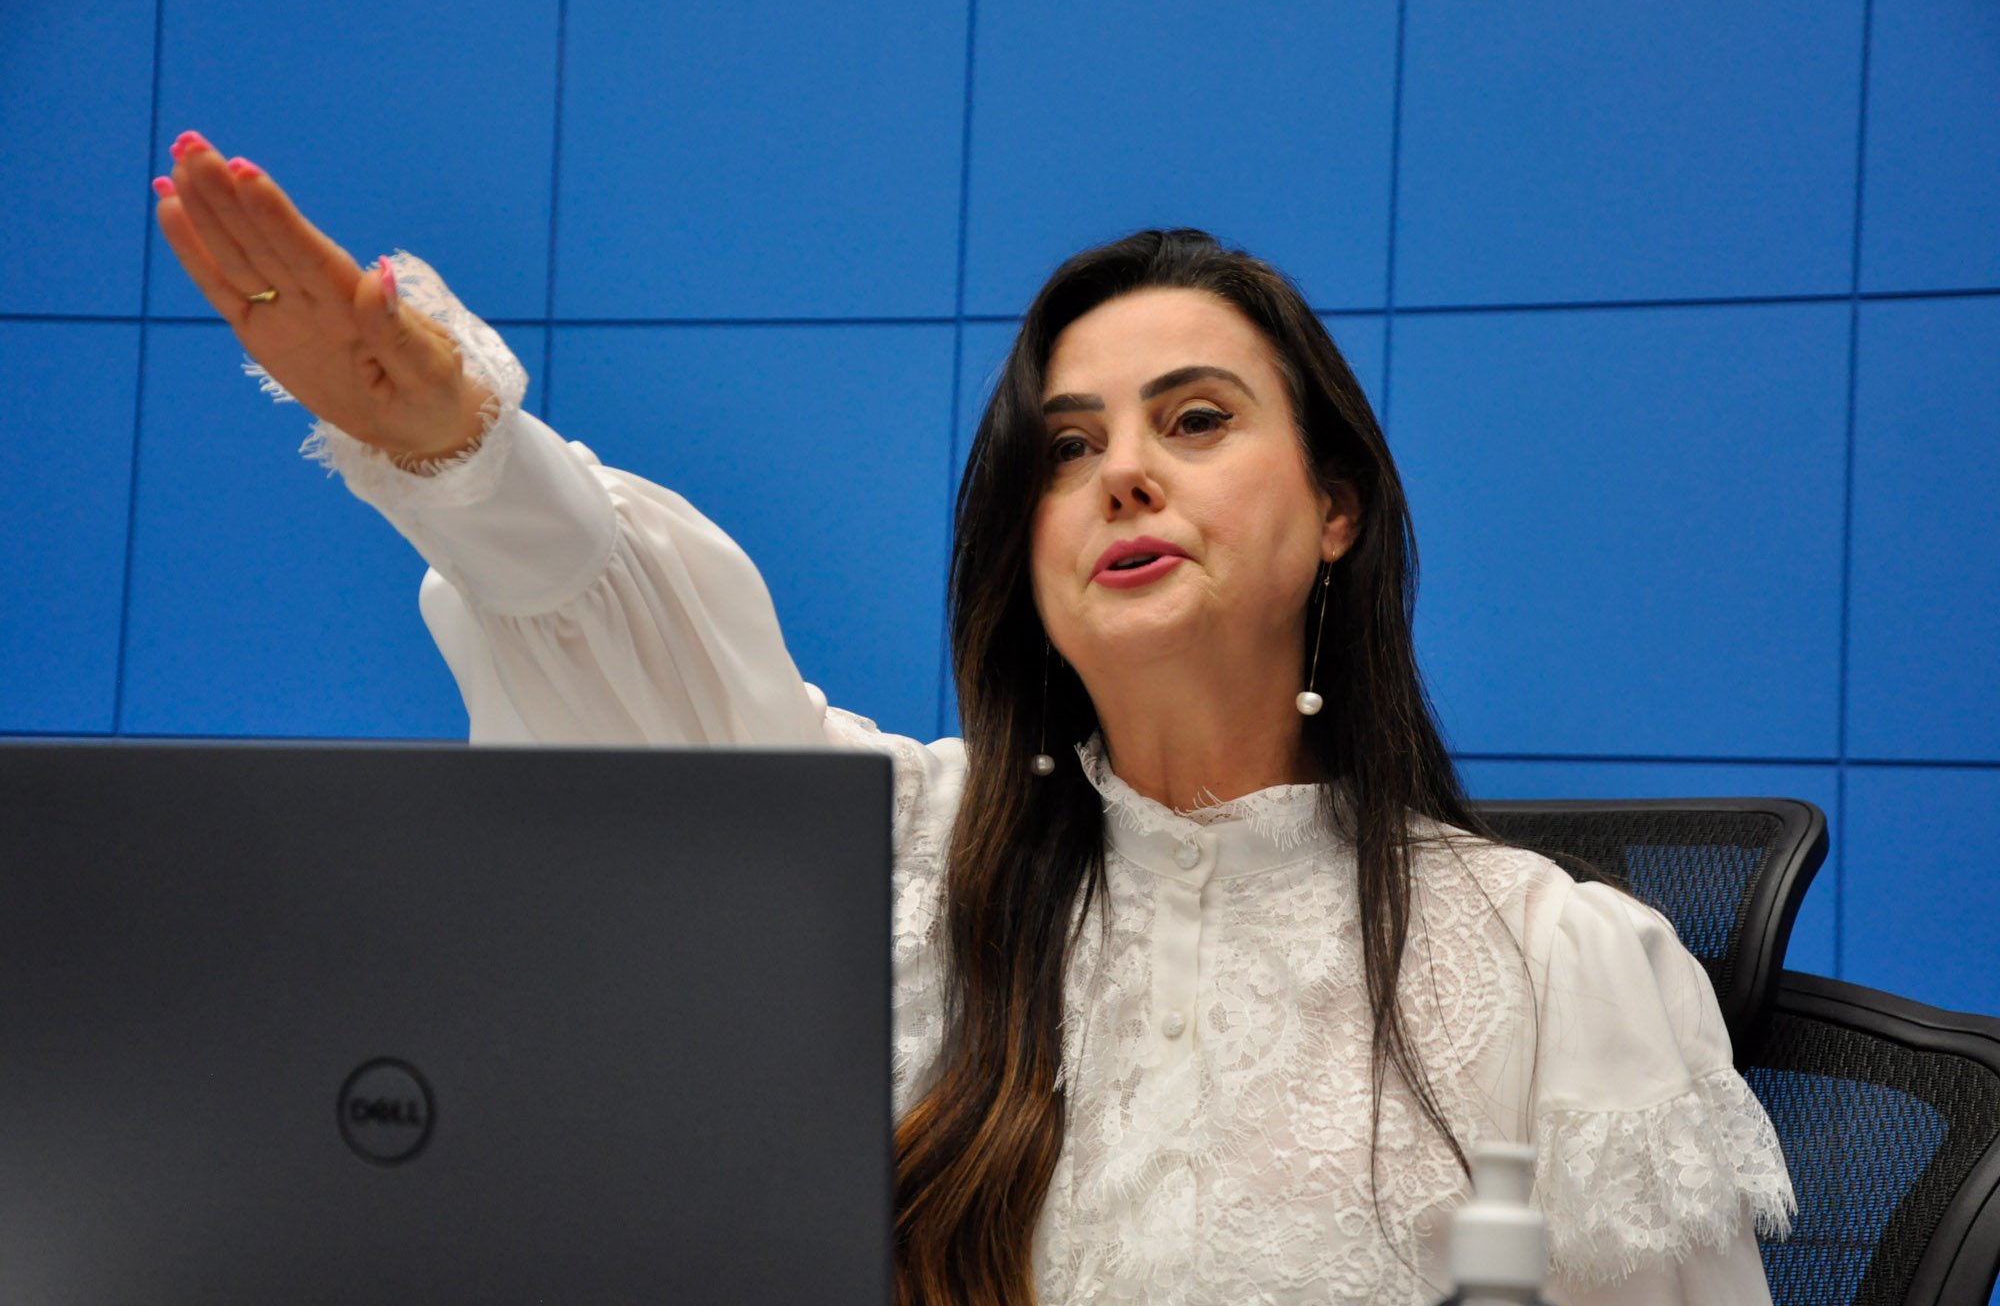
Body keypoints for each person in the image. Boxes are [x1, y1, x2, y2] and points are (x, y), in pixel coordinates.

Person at [152, 130, 1796, 1306]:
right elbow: (639, 687)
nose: (1123, 471)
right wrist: (456, 449)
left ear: (1338, 509)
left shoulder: (1549, 964)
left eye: (1196, 419)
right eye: (1065, 449)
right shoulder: (896, 858)